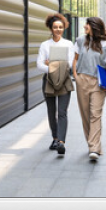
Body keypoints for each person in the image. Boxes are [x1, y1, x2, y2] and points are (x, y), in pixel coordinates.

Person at [73, 17, 106, 161]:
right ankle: (92, 143)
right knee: (85, 114)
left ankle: (94, 148)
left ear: (94, 27)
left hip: (99, 83)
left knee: (95, 114)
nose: (85, 26)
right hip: (82, 80)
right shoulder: (80, 40)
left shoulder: (105, 44)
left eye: (88, 24)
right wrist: (76, 76)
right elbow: (75, 59)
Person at [37, 13, 75, 155]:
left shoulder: (68, 44)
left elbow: (70, 64)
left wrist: (51, 63)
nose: (58, 29)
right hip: (48, 81)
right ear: (51, 29)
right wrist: (57, 65)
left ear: (63, 28)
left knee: (62, 112)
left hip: (65, 81)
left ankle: (61, 142)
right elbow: (39, 64)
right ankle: (55, 138)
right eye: (55, 27)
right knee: (51, 112)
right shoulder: (45, 45)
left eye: (60, 27)